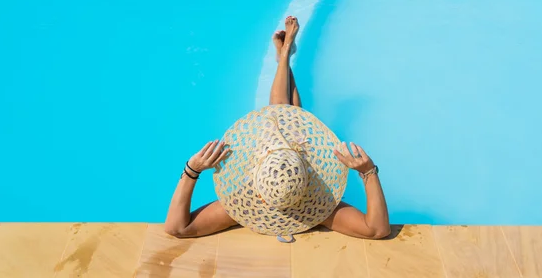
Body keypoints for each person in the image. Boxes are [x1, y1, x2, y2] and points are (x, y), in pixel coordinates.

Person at [164, 16, 390, 240]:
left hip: (280, 167)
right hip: (291, 165)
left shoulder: (242, 204)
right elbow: (377, 230)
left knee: (282, 115)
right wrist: (368, 171)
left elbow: (177, 229)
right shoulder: (320, 210)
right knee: (285, 116)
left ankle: (284, 57)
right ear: (308, 179)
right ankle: (284, 56)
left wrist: (191, 170)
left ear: (258, 190)